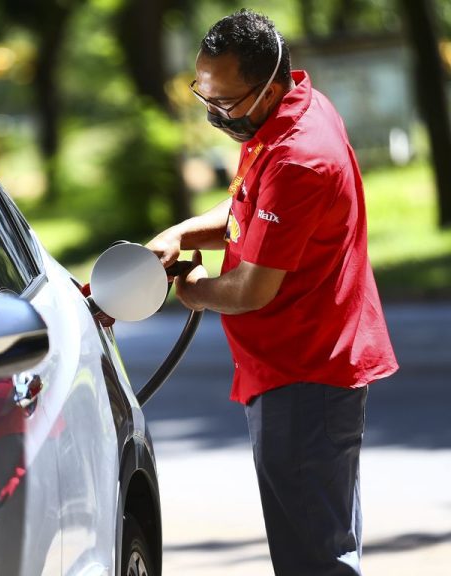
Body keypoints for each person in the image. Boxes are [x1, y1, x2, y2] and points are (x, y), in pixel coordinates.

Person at [147, 9, 398, 576]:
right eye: (203, 95)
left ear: (269, 86)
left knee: (315, 558)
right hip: (293, 366)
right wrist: (183, 233)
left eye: (225, 103)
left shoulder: (298, 156)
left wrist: (194, 290)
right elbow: (247, 212)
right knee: (318, 544)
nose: (213, 113)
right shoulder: (282, 118)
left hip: (307, 373)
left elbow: (253, 288)